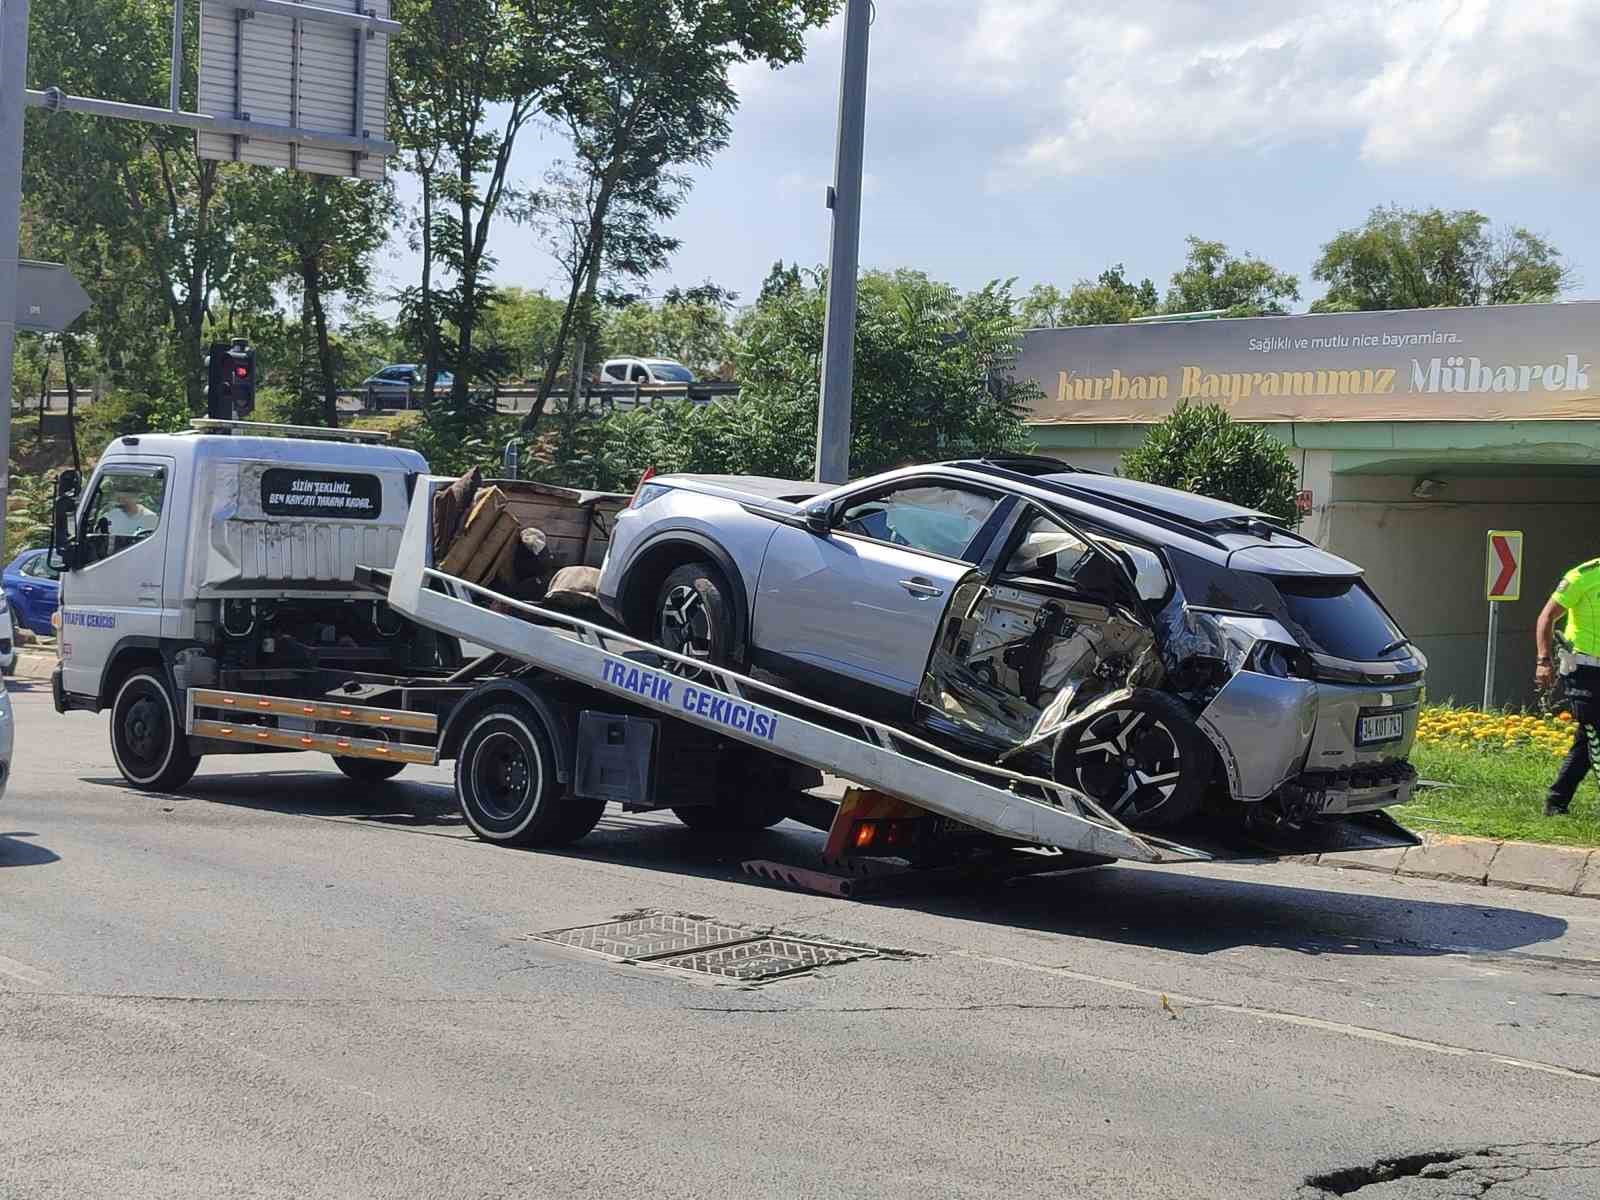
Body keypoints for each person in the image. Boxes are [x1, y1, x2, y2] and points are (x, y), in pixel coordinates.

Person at [1535, 556, 1600, 815]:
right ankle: (1556, 800)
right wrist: (1543, 660)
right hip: (1583, 668)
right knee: (1594, 730)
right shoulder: (1582, 576)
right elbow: (1546, 618)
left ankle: (1556, 801)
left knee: (1587, 740)